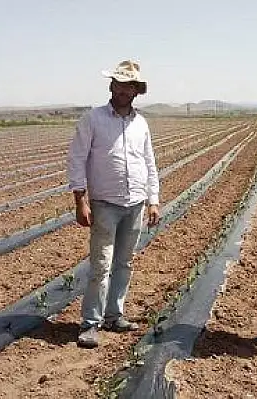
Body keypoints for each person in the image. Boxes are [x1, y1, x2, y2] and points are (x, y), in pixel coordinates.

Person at [67, 60, 160, 349]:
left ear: (136, 90)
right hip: (105, 203)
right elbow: (77, 159)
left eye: (128, 85)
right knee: (101, 265)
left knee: (125, 262)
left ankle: (114, 315)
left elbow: (149, 162)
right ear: (111, 86)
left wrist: (153, 200)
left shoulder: (141, 122)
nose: (122, 89)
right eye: (118, 84)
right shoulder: (93, 119)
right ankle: (90, 323)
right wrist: (80, 201)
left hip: (135, 203)